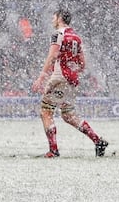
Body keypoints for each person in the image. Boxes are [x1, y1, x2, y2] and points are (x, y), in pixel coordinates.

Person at [31, 9, 109, 159]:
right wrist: (71, 70)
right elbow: (82, 64)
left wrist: (42, 77)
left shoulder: (58, 34)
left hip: (59, 78)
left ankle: (53, 150)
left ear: (60, 18)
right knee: (68, 115)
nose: (52, 20)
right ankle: (98, 141)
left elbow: (53, 55)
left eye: (54, 17)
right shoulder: (76, 37)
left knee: (46, 111)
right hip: (72, 80)